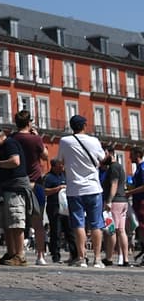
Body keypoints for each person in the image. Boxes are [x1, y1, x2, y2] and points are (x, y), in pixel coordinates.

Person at [55, 114, 106, 268]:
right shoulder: (94, 141)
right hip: (93, 188)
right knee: (96, 224)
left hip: (74, 189)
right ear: (84, 125)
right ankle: (97, 259)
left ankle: (82, 258)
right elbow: (103, 159)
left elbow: (59, 161)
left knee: (79, 224)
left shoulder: (65, 141)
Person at [9, 109, 49, 265]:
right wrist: (37, 136)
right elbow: (45, 155)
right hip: (35, 183)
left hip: (18, 183)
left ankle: (18, 253)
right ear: (29, 123)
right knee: (38, 223)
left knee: (17, 220)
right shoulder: (35, 139)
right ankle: (40, 256)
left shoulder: (13, 139)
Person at [0, 126, 35, 266]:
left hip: (15, 189)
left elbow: (15, 161)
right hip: (8, 188)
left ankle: (20, 254)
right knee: (8, 223)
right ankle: (11, 252)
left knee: (16, 222)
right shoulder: (7, 145)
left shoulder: (10, 144)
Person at [42, 157, 69, 265]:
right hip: (54, 207)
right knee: (56, 231)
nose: (62, 167)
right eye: (60, 165)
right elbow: (45, 191)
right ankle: (56, 255)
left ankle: (74, 253)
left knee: (69, 231)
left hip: (66, 207)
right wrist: (58, 188)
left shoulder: (65, 175)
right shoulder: (48, 177)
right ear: (54, 166)